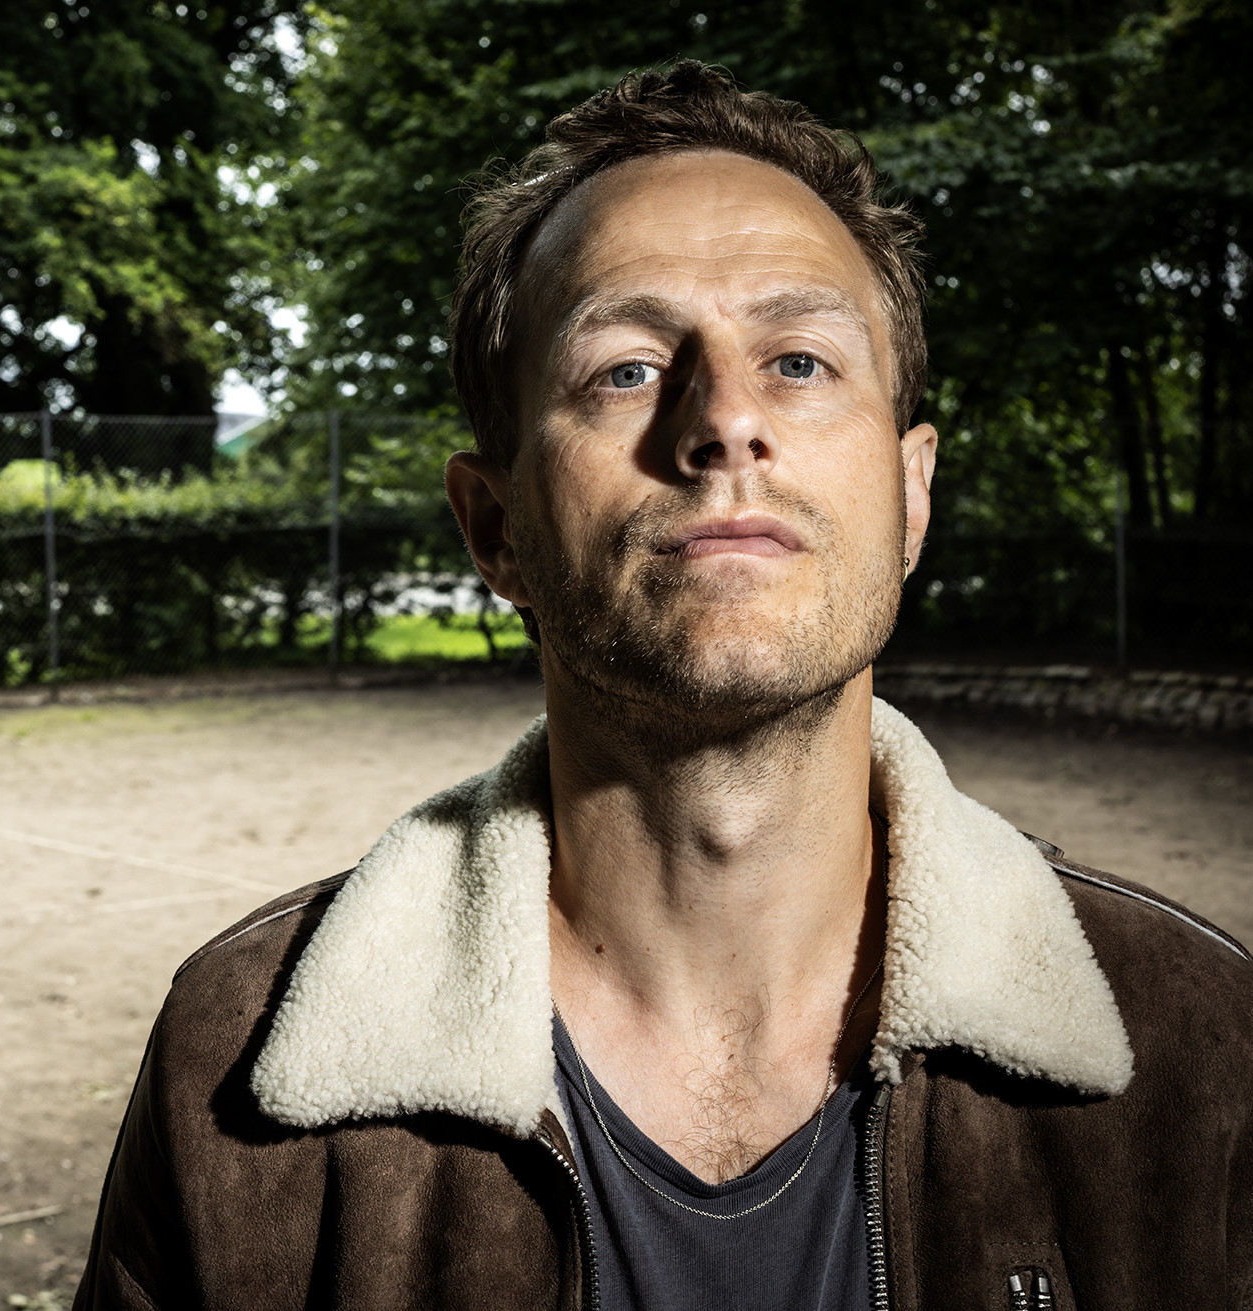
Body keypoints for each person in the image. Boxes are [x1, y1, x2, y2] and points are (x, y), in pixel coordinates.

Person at [74, 61, 1253, 1310]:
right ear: (495, 529)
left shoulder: (1199, 1040)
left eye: (801, 360)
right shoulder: (233, 1060)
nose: (725, 420)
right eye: (627, 369)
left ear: (912, 496)